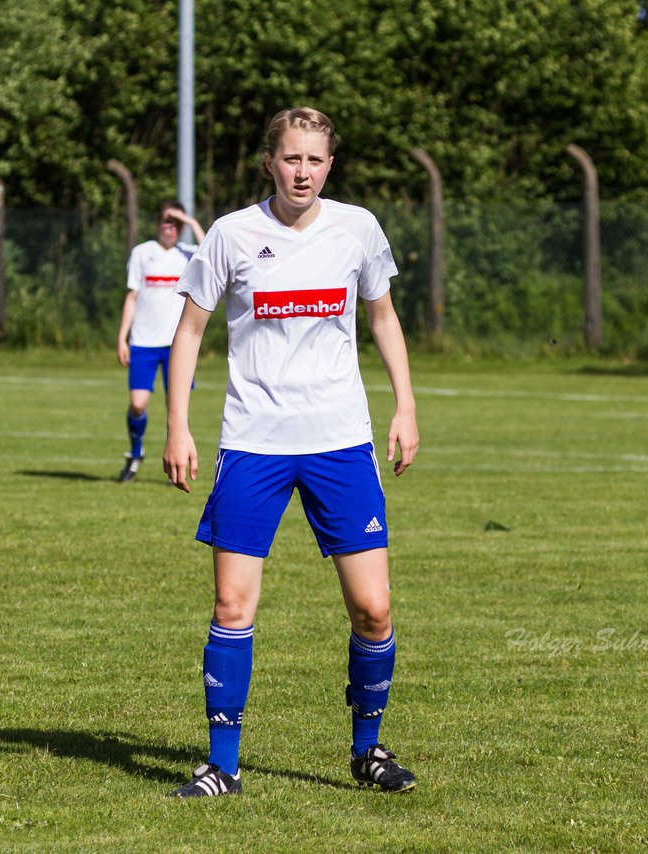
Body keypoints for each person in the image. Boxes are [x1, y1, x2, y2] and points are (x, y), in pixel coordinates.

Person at [162, 107, 420, 798]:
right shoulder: (231, 236)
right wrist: (178, 426)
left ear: (329, 165)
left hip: (340, 442)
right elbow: (189, 332)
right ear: (269, 161)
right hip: (253, 444)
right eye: (290, 158)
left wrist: (407, 406)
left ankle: (368, 751)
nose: (301, 171)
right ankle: (223, 765)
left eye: (314, 159)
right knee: (231, 604)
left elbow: (383, 316)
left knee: (374, 609)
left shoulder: (357, 228)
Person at [115, 200, 205, 482]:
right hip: (143, 341)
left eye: (176, 224)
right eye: (167, 222)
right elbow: (132, 296)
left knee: (176, 406)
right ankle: (136, 451)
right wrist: (122, 337)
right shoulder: (143, 253)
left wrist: (190, 221)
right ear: (157, 224)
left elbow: (213, 252)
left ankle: (175, 462)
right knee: (138, 404)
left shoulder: (188, 253)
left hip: (177, 344)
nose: (172, 228)